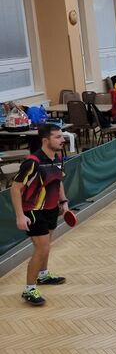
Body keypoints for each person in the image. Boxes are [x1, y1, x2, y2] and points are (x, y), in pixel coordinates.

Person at [10, 124, 68, 306]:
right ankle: (29, 289)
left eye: (62, 136)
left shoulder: (58, 157)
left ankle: (43, 275)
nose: (63, 140)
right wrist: (20, 216)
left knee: (47, 245)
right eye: (57, 137)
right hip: (33, 211)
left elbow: (58, 181)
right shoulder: (32, 162)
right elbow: (15, 189)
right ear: (45, 140)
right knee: (41, 248)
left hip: (51, 208)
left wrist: (64, 202)